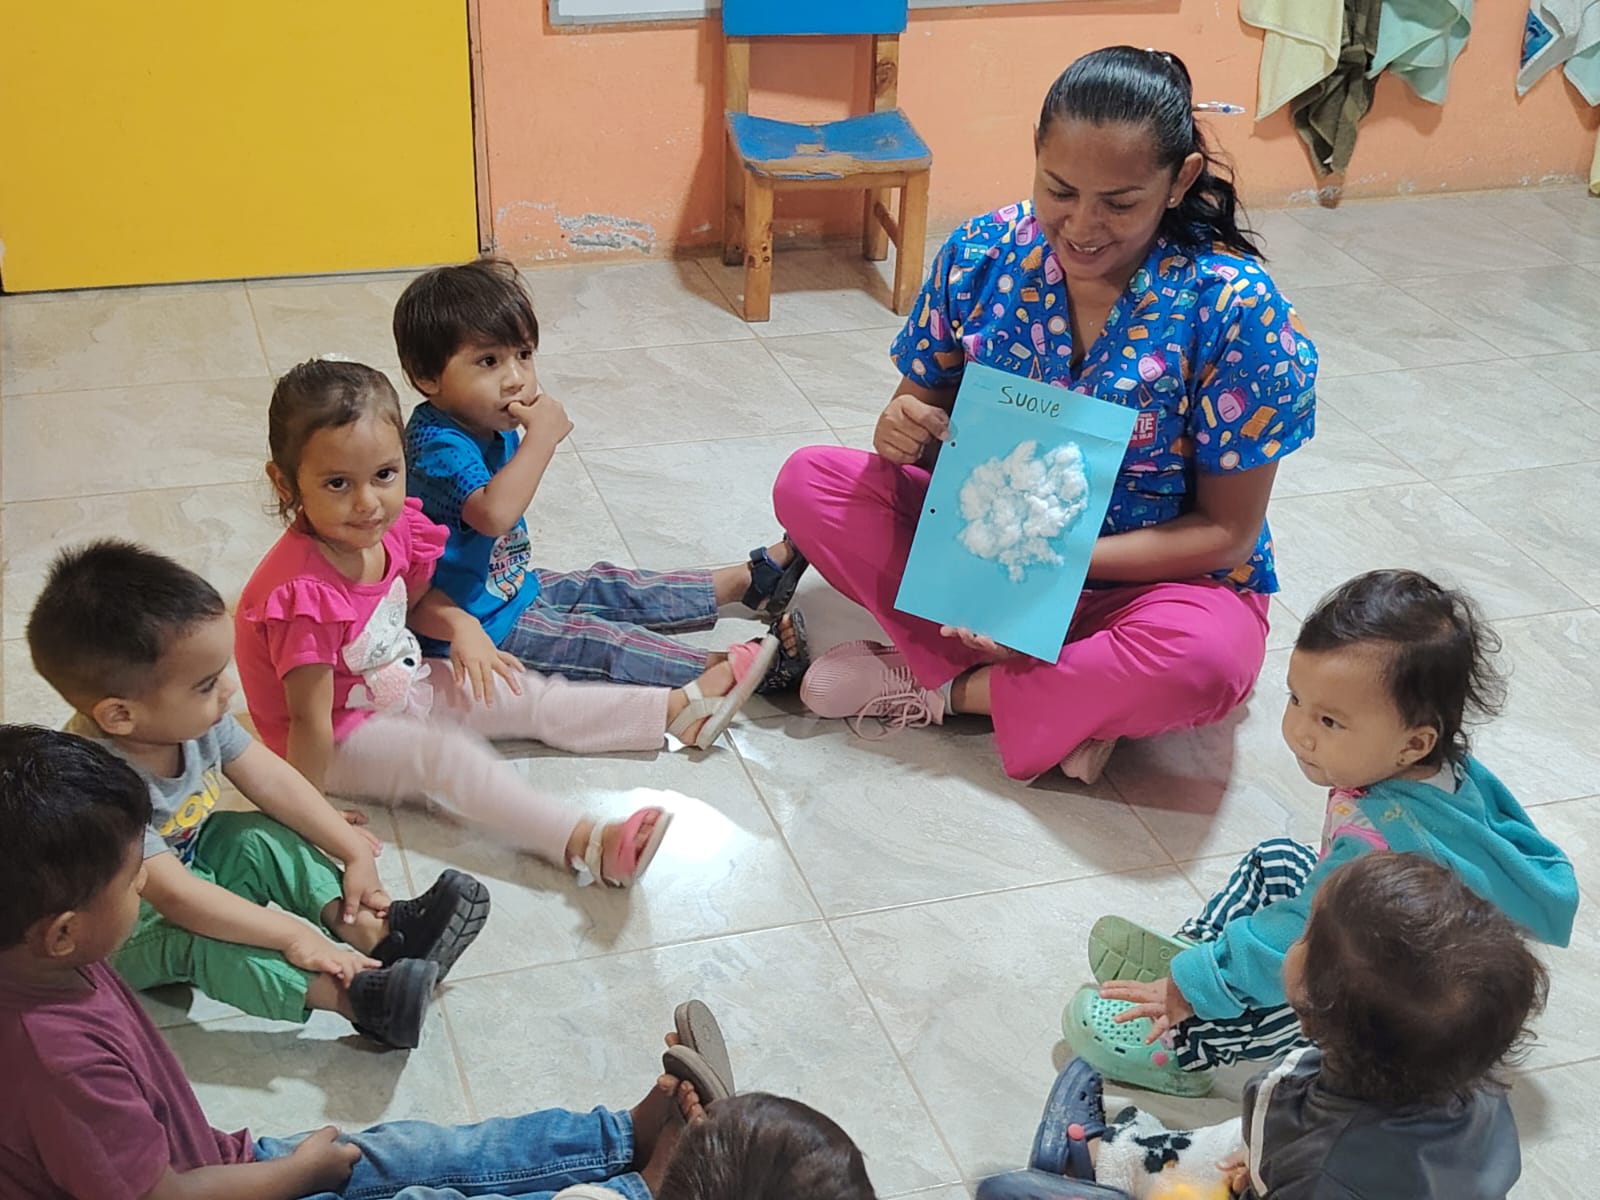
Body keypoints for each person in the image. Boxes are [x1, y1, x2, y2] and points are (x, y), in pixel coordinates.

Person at [0, 732, 870, 1200]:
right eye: (134, 880)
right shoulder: (50, 1053)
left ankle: (621, 1138)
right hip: (205, 1187)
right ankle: (645, 1194)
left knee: (426, 1152)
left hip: (216, 1163)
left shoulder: (43, 954)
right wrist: (293, 1176)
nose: (148, 886)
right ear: (64, 932)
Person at [772, 45, 1319, 784]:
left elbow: (1227, 533)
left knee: (1205, 662)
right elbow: (916, 416)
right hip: (991, 548)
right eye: (1059, 189)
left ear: (1181, 179)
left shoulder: (1235, 308)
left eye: (1120, 203)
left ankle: (952, 691)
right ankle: (1073, 700)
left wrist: (1048, 565)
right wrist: (901, 428)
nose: (1082, 225)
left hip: (1151, 584)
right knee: (812, 483)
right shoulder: (982, 254)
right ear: (1035, 152)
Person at [235, 359, 773, 887]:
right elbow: (307, 721)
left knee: (520, 689)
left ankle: (674, 712)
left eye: (384, 475)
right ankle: (587, 844)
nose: (367, 502)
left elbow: (414, 604)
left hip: (393, 682)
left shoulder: (392, 529)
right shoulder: (301, 597)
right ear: (285, 483)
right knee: (446, 759)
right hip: (331, 740)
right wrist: (310, 814)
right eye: (337, 484)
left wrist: (463, 628)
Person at [1066, 570, 1577, 1096]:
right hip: (1389, 935)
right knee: (1278, 860)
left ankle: (1187, 1042)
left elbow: (1304, 929)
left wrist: (1198, 986)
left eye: (1330, 721)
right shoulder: (1441, 767)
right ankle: (1202, 952)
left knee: (1303, 983)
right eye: (1295, 700)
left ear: (1413, 743)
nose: (1300, 732)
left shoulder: (1379, 843)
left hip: (1396, 997)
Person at [25, 543, 489, 1049]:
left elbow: (273, 780)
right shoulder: (98, 789)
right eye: (206, 684)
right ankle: (360, 1000)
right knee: (206, 936)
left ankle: (381, 937)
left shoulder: (187, 722)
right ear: (120, 715)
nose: (228, 690)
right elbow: (179, 899)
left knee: (255, 834)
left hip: (188, 865)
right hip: (129, 928)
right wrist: (292, 936)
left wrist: (351, 850)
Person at [989, 852, 1549, 1200]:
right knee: (1243, 1138)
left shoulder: (1325, 1167)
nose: (1292, 936)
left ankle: (1099, 1162)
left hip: (1312, 1179)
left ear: (1307, 1008)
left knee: (1202, 1163)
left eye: (1304, 932)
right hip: (1329, 1168)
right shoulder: (1466, 1081)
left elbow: (1328, 1169)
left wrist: (1271, 1183)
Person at [392, 257, 810, 694]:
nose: (516, 379)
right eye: (488, 361)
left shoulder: (486, 420)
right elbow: (493, 515)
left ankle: (746, 582)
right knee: (598, 644)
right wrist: (541, 440)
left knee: (610, 585)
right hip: (472, 622)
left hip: (506, 588)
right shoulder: (436, 444)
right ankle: (732, 670)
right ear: (427, 376)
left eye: (524, 355)